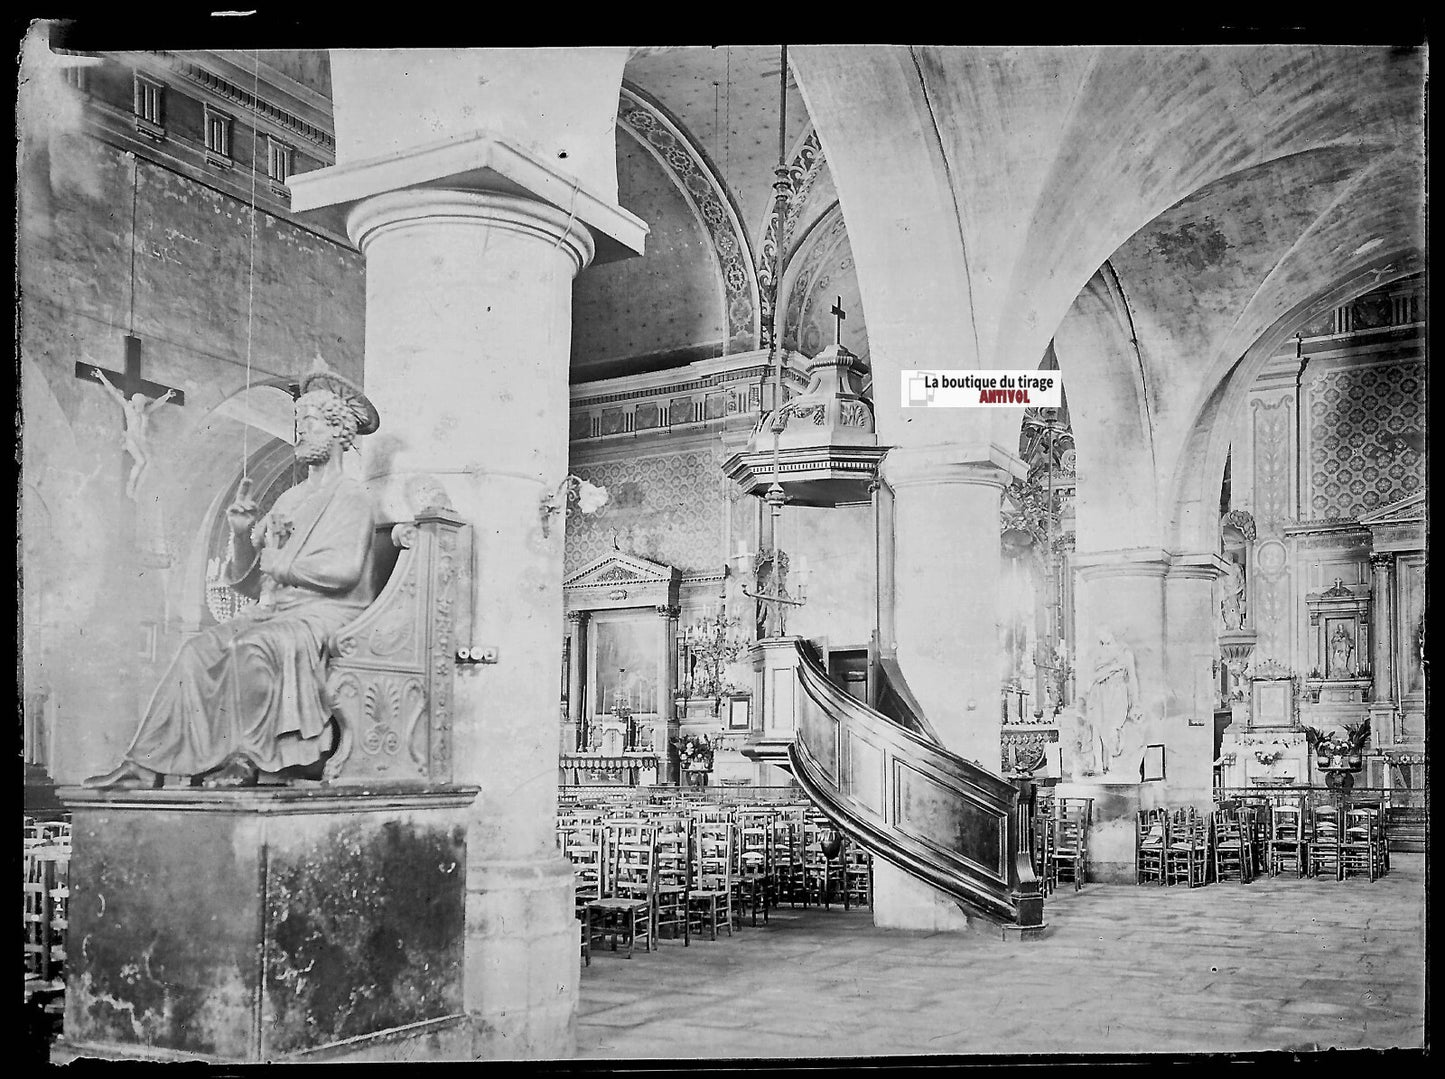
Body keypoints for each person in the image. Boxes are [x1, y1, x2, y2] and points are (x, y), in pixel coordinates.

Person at [84, 365, 381, 789]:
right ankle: (146, 763)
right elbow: (249, 581)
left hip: (328, 616)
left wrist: (285, 566)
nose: (298, 432)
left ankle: (247, 756)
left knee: (253, 647)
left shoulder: (352, 497)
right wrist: (242, 535)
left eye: (308, 423)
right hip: (278, 611)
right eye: (297, 423)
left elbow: (346, 571)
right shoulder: (292, 497)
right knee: (197, 651)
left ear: (338, 431)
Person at [91, 367, 176, 500]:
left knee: (149, 463)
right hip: (131, 439)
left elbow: (158, 404)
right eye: (139, 404)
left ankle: (138, 488)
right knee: (141, 462)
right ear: (135, 403)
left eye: (142, 404)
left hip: (142, 441)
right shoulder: (128, 409)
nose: (141, 406)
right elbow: (114, 392)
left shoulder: (145, 412)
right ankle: (131, 487)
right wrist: (101, 376)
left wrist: (167, 395)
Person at [1079, 629, 1143, 777]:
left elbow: (1132, 678)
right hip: (1099, 693)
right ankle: (1099, 766)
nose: (1102, 635)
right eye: (1099, 634)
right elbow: (1091, 677)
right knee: (1097, 728)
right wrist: (1112, 669)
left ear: (1112, 632)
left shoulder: (1124, 652)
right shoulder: (1097, 653)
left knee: (1112, 727)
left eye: (1104, 630)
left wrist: (1136, 702)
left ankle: (1112, 763)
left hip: (1118, 693)